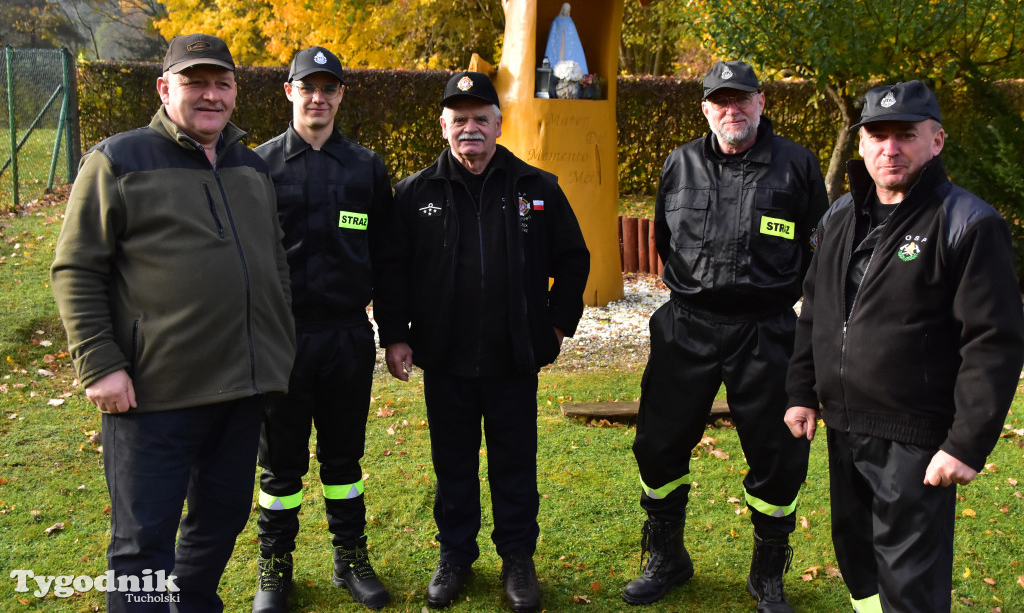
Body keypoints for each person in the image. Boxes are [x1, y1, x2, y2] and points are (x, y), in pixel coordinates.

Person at [50, 33, 296, 612]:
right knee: (142, 546)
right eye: (195, 82)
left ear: (236, 91)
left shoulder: (251, 165)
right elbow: (75, 268)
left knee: (221, 519)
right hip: (153, 395)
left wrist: (278, 346)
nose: (211, 95)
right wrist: (101, 364)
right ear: (165, 88)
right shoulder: (118, 160)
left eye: (222, 83)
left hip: (242, 388)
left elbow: (273, 263)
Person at [784, 81, 1024, 613]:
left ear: (935, 142)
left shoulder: (968, 224)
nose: (890, 148)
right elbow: (815, 310)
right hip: (844, 426)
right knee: (857, 558)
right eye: (877, 135)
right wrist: (801, 390)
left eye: (905, 136)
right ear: (861, 143)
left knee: (909, 580)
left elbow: (994, 343)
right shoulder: (840, 216)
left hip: (915, 438)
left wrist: (966, 443)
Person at [374, 71, 590, 612]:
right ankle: (455, 555)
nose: (470, 128)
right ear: (443, 125)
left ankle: (517, 558)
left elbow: (573, 259)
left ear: (499, 124)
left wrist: (556, 326)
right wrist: (395, 337)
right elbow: (393, 272)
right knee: (453, 463)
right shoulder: (415, 192)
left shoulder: (536, 187)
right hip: (444, 358)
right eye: (459, 119)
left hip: (513, 356)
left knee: (515, 460)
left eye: (480, 119)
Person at [624, 61, 828, 611]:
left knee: (779, 454)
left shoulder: (796, 165)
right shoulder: (681, 162)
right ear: (706, 109)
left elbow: (822, 249)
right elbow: (667, 239)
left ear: (762, 103)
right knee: (657, 445)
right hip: (687, 324)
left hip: (766, 329)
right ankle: (668, 557)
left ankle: (767, 575)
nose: (732, 110)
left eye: (743, 99)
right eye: (721, 101)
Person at [250, 46, 393, 612]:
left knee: (343, 460)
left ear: (340, 96)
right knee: (279, 463)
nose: (318, 97)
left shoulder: (365, 167)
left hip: (345, 337)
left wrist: (395, 330)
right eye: (307, 86)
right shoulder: (255, 165)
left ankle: (350, 557)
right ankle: (275, 568)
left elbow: (388, 254)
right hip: (281, 337)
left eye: (328, 88)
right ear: (289, 92)